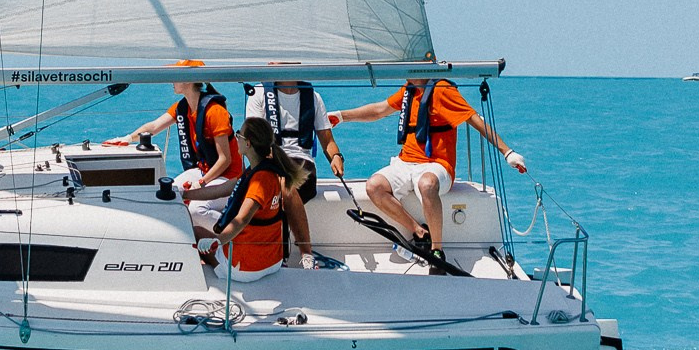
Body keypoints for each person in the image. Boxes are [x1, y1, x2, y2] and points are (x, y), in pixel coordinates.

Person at [331, 72, 527, 260]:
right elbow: (379, 110)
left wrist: (507, 152)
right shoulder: (409, 89)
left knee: (427, 184)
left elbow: (474, 120)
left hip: (438, 166)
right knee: (374, 186)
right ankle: (418, 231)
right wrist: (341, 116)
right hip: (405, 162)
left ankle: (437, 249)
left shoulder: (443, 89)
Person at [201, 117, 312, 278]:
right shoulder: (270, 172)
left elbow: (242, 219)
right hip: (273, 262)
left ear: (248, 143)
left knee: (196, 233)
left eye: (239, 134)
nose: (236, 137)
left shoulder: (259, 181)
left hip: (245, 269)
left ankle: (214, 270)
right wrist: (185, 194)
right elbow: (221, 190)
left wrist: (218, 241)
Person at [127, 72, 237, 196]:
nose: (172, 82)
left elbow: (225, 160)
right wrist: (128, 138)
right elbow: (154, 127)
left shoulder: (215, 112)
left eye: (176, 77)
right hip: (203, 171)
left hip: (228, 177)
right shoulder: (183, 108)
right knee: (171, 193)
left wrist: (202, 182)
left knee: (198, 209)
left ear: (188, 81)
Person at [245, 74, 347, 204]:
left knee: (289, 187)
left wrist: (336, 156)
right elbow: (255, 136)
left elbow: (327, 141)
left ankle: (288, 223)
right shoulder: (258, 93)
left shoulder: (314, 97)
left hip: (302, 161)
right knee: (248, 187)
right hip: (269, 159)